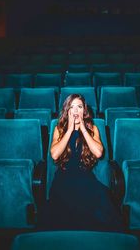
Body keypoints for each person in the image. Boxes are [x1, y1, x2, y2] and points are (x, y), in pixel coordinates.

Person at [44, 94, 124, 231]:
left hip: (85, 177)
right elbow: (55, 155)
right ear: (67, 110)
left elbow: (98, 153)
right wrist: (69, 130)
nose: (76, 111)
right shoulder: (59, 129)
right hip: (63, 178)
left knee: (102, 202)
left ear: (84, 110)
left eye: (79, 107)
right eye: (72, 107)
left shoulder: (92, 128)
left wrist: (83, 129)